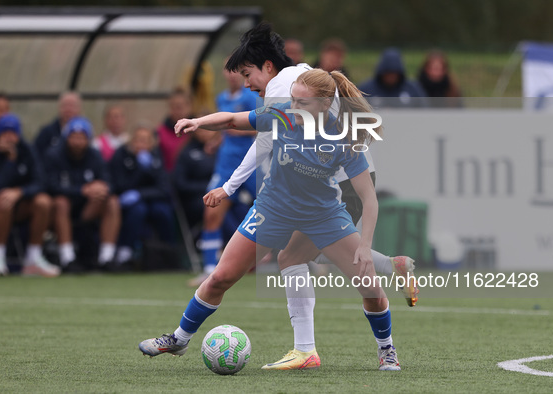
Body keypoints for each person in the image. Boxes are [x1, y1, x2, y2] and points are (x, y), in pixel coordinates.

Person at [139, 66, 404, 371]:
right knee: (221, 278)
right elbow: (230, 120)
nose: (293, 107)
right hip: (273, 208)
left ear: (322, 105)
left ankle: (387, 350)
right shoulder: (281, 114)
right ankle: (179, 338)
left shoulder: (343, 136)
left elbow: (369, 199)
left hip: (323, 215)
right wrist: (196, 121)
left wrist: (365, 245)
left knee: (370, 288)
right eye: (292, 99)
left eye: (302, 103)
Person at [188, 67, 258, 287]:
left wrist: (236, 129)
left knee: (279, 209)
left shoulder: (252, 96)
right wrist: (216, 142)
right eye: (228, 71)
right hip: (226, 165)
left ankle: (306, 258)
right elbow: (224, 128)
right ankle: (209, 271)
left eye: (237, 71)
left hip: (252, 164)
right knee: (211, 212)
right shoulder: (221, 98)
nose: (232, 75)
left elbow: (264, 127)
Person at [0, 114, 60, 277]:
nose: (9, 137)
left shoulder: (27, 150)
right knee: (4, 201)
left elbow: (40, 181)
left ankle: (34, 258)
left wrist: (20, 192)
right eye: (5, 133)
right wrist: (10, 161)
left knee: (43, 202)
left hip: (18, 203)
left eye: (13, 133)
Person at [45, 117, 120, 272]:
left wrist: (102, 188)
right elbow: (50, 186)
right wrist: (81, 190)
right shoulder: (54, 155)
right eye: (74, 136)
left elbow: (110, 182)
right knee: (61, 202)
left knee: (111, 202)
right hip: (61, 210)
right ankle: (67, 258)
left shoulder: (95, 155)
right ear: (67, 137)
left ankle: (106, 258)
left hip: (88, 208)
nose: (77, 141)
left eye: (82, 137)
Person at [109, 125, 175, 268]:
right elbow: (120, 184)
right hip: (127, 201)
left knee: (163, 211)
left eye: (145, 140)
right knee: (138, 211)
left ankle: (168, 252)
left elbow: (163, 188)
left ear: (152, 143)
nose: (141, 144)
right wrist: (138, 169)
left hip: (150, 198)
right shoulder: (121, 154)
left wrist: (141, 192)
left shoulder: (156, 156)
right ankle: (125, 251)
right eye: (138, 140)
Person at [173, 129, 218, 228]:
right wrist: (208, 187)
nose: (205, 132)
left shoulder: (220, 150)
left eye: (209, 128)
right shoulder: (186, 153)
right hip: (195, 199)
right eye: (202, 129)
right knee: (218, 210)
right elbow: (180, 184)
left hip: (220, 195)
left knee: (240, 208)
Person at [358, 47, 428, 108]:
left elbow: (424, 111)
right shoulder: (365, 90)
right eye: (388, 73)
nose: (391, 77)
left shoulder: (413, 89)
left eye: (394, 74)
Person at [34, 91, 82, 163]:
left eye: (72, 106)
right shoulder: (46, 132)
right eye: (65, 105)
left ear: (79, 108)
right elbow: (36, 157)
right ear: (59, 107)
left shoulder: (86, 134)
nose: (68, 110)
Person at [157, 88, 194, 172]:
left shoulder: (198, 132)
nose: (177, 111)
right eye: (174, 107)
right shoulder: (160, 132)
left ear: (190, 106)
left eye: (180, 107)